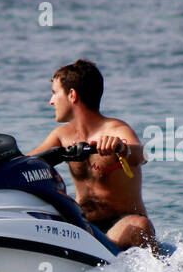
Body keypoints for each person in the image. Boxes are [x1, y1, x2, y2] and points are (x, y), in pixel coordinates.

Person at [31, 59, 158, 253]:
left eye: (55, 93)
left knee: (140, 226)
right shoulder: (61, 135)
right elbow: (27, 161)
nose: (51, 101)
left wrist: (122, 149)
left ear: (72, 95)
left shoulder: (116, 129)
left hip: (122, 224)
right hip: (84, 225)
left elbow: (141, 156)